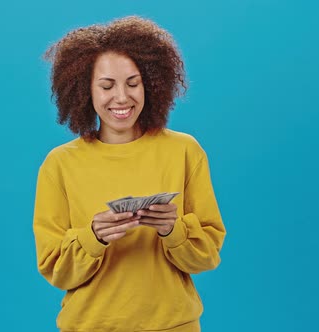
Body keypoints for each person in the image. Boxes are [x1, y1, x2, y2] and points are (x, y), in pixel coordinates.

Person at [33, 16, 226, 332]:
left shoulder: (184, 151)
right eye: (107, 86)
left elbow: (206, 257)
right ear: (85, 90)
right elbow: (56, 269)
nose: (122, 98)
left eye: (133, 83)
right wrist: (93, 236)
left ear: (150, 84)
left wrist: (172, 230)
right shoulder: (60, 164)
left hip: (173, 325)